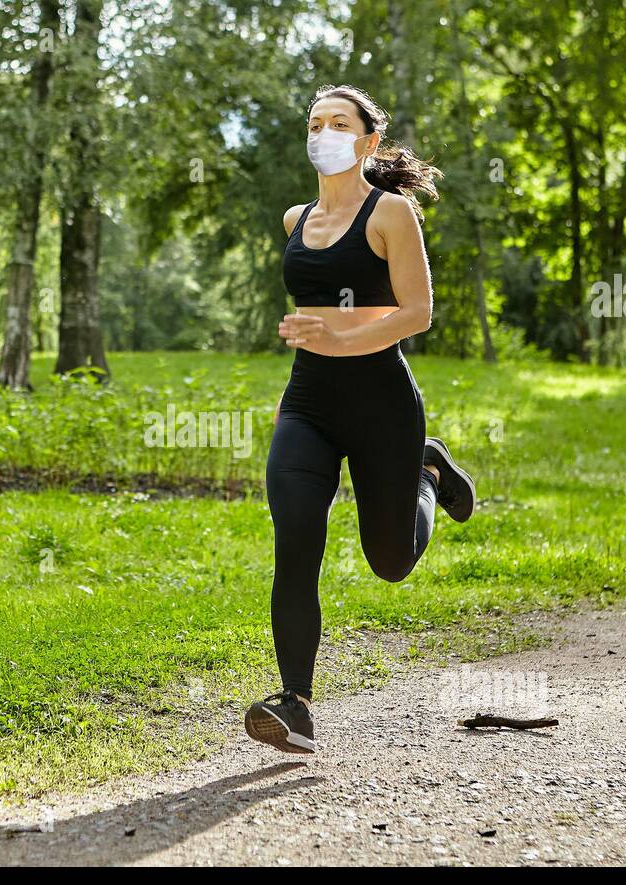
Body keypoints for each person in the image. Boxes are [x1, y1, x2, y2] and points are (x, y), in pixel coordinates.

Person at [244, 84, 477, 755]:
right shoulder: (296, 219)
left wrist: (342, 337)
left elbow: (417, 312)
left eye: (338, 122)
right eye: (315, 123)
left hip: (382, 408)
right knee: (295, 538)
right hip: (309, 407)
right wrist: (312, 353)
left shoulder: (391, 213)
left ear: (368, 141)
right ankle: (295, 703)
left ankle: (427, 469)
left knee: (392, 561)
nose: (324, 132)